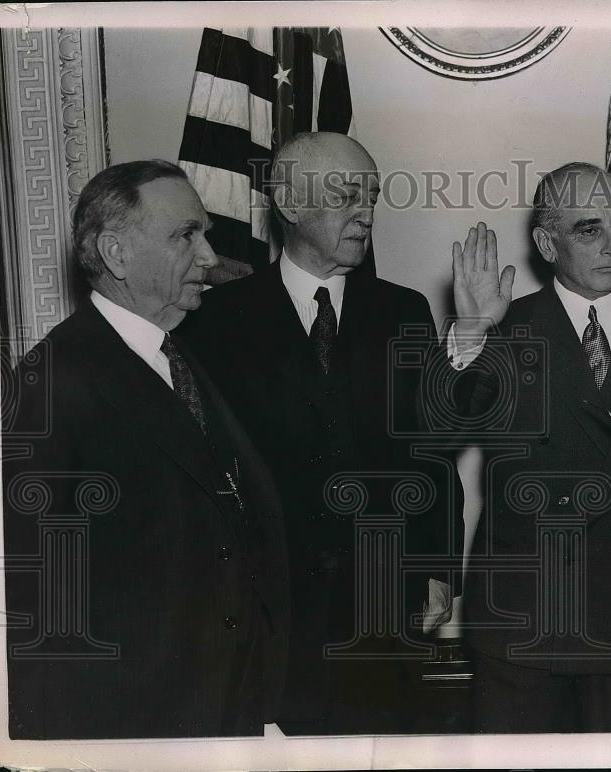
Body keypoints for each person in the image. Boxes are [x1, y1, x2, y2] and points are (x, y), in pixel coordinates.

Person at [179, 132, 463, 734]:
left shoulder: (402, 310)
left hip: (385, 607)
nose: (366, 211)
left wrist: (437, 564)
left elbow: (430, 451)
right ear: (287, 201)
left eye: (373, 194)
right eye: (346, 193)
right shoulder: (218, 322)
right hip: (271, 612)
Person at [2, 160, 290, 739]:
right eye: (187, 235)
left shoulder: (184, 359)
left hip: (226, 704)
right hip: (133, 719)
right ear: (116, 254)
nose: (210, 257)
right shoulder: (50, 383)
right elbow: (32, 597)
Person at [446, 162, 611, 732]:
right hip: (521, 621)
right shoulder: (504, 329)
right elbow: (442, 426)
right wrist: (473, 331)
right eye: (589, 230)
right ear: (548, 243)